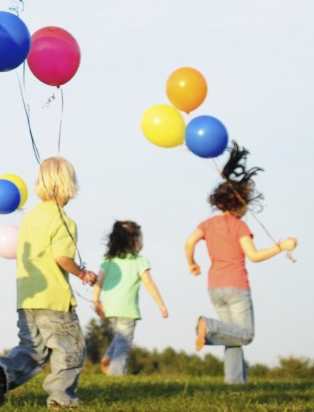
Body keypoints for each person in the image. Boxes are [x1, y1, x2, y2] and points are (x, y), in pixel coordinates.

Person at [0, 156, 98, 409]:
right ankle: (61, 396)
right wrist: (82, 274)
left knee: (33, 350)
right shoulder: (65, 221)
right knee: (69, 349)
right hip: (54, 299)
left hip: (27, 299)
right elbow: (62, 257)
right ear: (68, 185)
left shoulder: (29, 219)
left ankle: (3, 371)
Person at [184, 145, 297, 385]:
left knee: (232, 336)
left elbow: (189, 241)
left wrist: (192, 262)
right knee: (246, 335)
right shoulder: (240, 226)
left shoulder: (208, 223)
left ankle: (235, 383)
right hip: (236, 286)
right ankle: (209, 326)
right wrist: (282, 246)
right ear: (239, 204)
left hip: (214, 287)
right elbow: (254, 256)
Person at [94, 220, 168, 377]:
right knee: (124, 343)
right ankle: (115, 376)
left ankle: (108, 357)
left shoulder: (108, 260)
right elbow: (149, 284)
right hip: (127, 309)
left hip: (110, 308)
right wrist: (161, 306)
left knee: (121, 336)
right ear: (135, 240)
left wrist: (96, 301)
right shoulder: (139, 261)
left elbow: (98, 282)